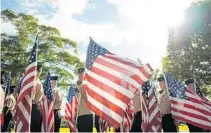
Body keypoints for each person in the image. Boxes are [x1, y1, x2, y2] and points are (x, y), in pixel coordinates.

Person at [76, 68, 93, 132]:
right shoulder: (78, 86)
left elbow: (87, 98)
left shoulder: (88, 86)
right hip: (80, 115)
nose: (79, 77)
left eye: (81, 75)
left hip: (87, 115)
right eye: (79, 75)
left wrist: (79, 85)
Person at [31, 64, 44, 132]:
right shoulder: (37, 82)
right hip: (35, 107)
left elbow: (31, 97)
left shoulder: (36, 82)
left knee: (34, 129)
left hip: (35, 107)